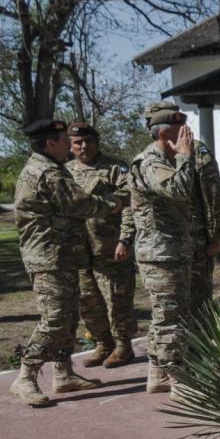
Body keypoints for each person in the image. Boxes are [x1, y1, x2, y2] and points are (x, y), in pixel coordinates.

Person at [9, 119, 118, 407]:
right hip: (49, 258)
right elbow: (80, 205)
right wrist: (116, 202)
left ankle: (63, 373)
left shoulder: (49, 168)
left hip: (62, 255)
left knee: (69, 318)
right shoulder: (47, 172)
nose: (70, 145)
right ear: (50, 144)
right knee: (55, 320)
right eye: (64, 139)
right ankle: (25, 376)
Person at [127, 107, 197, 396]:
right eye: (183, 130)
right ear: (167, 133)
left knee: (165, 315)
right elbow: (179, 189)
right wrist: (185, 156)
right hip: (161, 254)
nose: (189, 136)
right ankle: (178, 378)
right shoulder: (151, 162)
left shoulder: (163, 160)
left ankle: (157, 373)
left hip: (170, 251)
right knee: (171, 318)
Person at [65, 122, 137, 368]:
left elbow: (130, 205)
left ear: (97, 143)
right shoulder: (64, 172)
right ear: (71, 146)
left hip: (110, 248)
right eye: (78, 142)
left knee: (118, 299)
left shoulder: (114, 169)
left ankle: (124, 346)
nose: (84, 146)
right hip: (79, 250)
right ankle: (102, 343)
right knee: (88, 301)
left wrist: (125, 239)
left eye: (88, 141)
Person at [142, 101, 220, 311]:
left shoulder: (197, 150)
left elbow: (214, 194)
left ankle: (200, 344)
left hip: (197, 240)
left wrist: (215, 236)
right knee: (172, 307)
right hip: (168, 245)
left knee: (199, 303)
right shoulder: (152, 156)